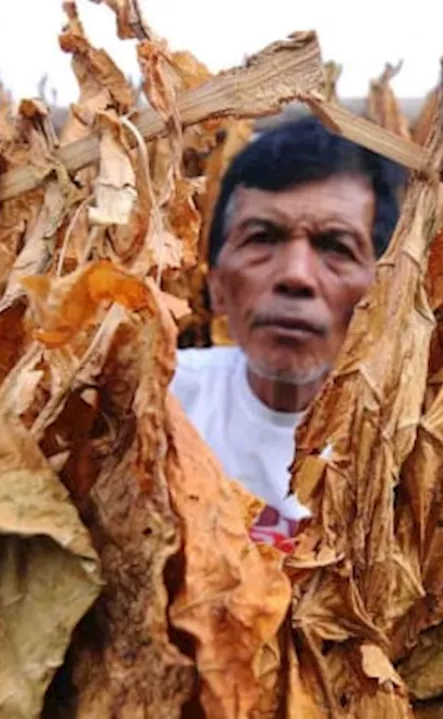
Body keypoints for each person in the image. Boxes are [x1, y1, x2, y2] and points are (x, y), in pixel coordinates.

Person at [171, 116, 407, 551]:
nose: (296, 276)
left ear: (385, 292)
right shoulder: (160, 406)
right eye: (262, 238)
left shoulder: (412, 446)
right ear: (217, 285)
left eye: (336, 246)